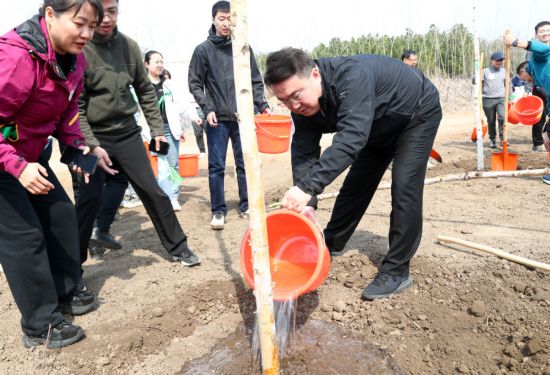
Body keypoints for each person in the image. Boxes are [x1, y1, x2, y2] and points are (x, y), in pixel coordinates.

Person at [264, 48, 442, 300]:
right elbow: (304, 152)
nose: (293, 105)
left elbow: (351, 139)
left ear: (315, 74)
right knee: (356, 184)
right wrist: (308, 203)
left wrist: (307, 188)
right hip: (376, 123)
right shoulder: (300, 107)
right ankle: (330, 243)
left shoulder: (351, 77)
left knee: (405, 188)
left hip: (415, 115)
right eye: (284, 101)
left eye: (296, 95)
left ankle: (397, 271)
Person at [0, 0, 104, 348]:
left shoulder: (74, 62)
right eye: (80, 24)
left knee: (61, 214)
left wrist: (77, 148)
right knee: (25, 236)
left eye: (92, 26)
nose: (87, 34)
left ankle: (65, 291)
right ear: (49, 15)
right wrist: (15, 166)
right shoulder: (15, 59)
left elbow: (68, 110)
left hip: (29, 156)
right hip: (6, 161)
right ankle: (40, 324)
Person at [76, 0, 200, 267]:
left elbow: (145, 91)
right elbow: (77, 106)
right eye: (101, 12)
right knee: (88, 198)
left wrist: (157, 131)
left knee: (153, 191)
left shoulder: (129, 47)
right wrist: (91, 144)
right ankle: (75, 270)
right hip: (93, 136)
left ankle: (179, 247)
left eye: (113, 11)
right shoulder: (80, 49)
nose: (107, 18)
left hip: (127, 134)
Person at [188, 0, 269, 230]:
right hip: (217, 118)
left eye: (229, 18)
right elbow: (195, 83)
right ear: (213, 19)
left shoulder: (242, 46)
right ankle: (218, 210)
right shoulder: (203, 50)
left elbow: (255, 79)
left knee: (245, 163)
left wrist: (261, 104)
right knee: (216, 166)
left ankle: (246, 205)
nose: (226, 23)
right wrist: (207, 108)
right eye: (221, 18)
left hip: (243, 117)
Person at [143, 50, 202, 211]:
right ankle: (161, 198)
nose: (160, 64)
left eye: (161, 61)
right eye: (156, 61)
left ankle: (173, 197)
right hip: (151, 133)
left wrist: (193, 116)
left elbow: (182, 103)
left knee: (172, 164)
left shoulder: (169, 85)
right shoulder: (142, 86)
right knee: (158, 165)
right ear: (146, 64)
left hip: (169, 129)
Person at [505, 21, 550, 182]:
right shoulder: (534, 69)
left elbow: (541, 48)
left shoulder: (543, 51)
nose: (545, 33)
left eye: (547, 31)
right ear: (536, 34)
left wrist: (515, 42)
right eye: (542, 31)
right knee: (546, 136)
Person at [516, 61, 547, 152]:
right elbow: (530, 84)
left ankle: (543, 141)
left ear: (523, 71)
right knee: (539, 119)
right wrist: (527, 92)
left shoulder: (543, 73)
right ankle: (538, 144)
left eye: (520, 75)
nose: (522, 79)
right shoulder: (533, 77)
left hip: (545, 94)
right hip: (540, 95)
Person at [480, 52, 507, 149]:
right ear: (492, 61)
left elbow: (508, 83)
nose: (499, 62)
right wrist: (476, 76)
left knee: (502, 118)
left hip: (501, 98)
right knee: (491, 121)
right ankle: (492, 139)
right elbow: (475, 81)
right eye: (497, 60)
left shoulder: (504, 71)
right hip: (488, 99)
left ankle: (503, 138)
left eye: (501, 60)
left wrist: (510, 96)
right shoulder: (484, 71)